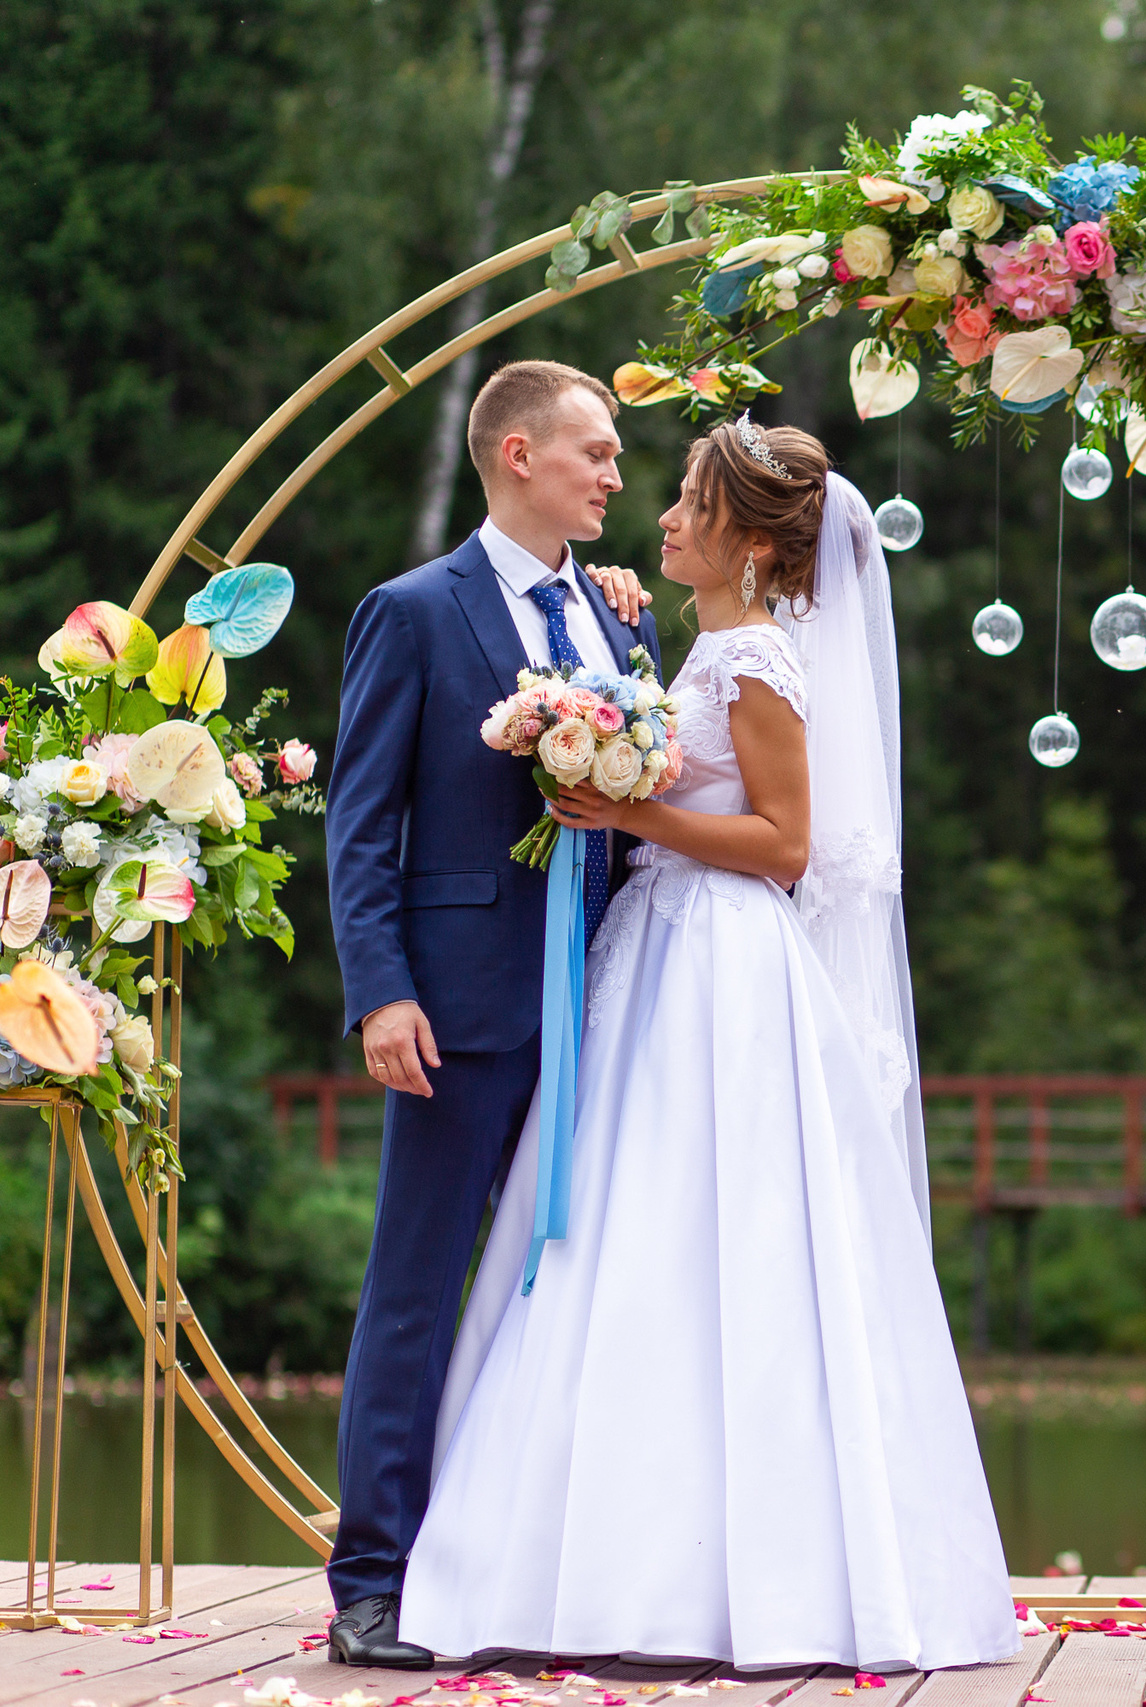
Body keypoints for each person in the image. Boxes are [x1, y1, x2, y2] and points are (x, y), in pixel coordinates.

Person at [394, 419, 1019, 1672]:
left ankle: (733, 1576)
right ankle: (621, 1563)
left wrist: (631, 809)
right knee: (636, 1229)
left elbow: (787, 845)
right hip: (659, 950)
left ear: (740, 533)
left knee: (711, 1228)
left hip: (725, 961)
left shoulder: (756, 661)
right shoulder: (707, 643)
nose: (664, 519)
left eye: (685, 502)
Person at [327, 360, 657, 1667]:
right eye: (597, 450)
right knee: (415, 1289)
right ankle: (369, 1580)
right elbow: (361, 827)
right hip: (457, 1009)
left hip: (609, 994)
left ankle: (523, 1564)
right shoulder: (412, 612)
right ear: (518, 454)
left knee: (571, 1292)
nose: (617, 475)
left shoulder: (620, 621)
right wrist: (382, 989)